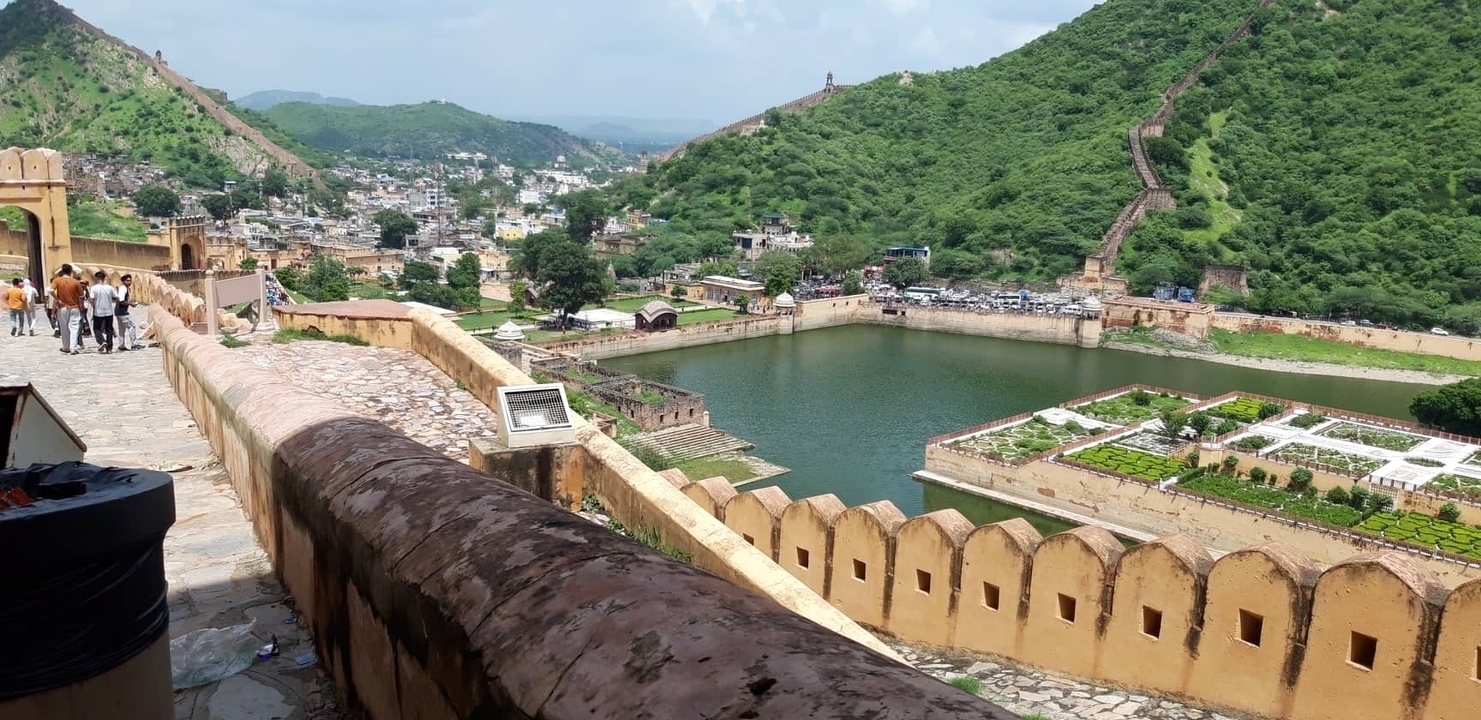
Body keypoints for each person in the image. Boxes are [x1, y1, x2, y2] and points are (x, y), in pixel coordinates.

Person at [50, 264, 84, 354]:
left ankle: (66, 347)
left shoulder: (57, 280)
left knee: (64, 328)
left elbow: (50, 290)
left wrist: (57, 300)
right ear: (71, 271)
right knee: (74, 327)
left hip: (62, 307)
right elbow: (81, 296)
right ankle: (73, 347)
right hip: (74, 307)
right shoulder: (76, 282)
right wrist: (81, 307)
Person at [88, 271, 118, 353]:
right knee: (109, 330)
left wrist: (93, 307)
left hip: (98, 312)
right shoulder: (110, 288)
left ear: (97, 278)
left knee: (97, 328)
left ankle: (101, 341)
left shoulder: (94, 288)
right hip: (109, 311)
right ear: (104, 278)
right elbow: (116, 298)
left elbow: (92, 299)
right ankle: (109, 348)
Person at [115, 274, 140, 350]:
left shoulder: (124, 288)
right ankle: (134, 344)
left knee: (122, 329)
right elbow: (121, 301)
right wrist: (131, 304)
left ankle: (121, 346)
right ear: (123, 281)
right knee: (132, 326)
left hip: (118, 311)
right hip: (122, 311)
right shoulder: (123, 289)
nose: (129, 282)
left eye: (130, 280)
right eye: (127, 281)